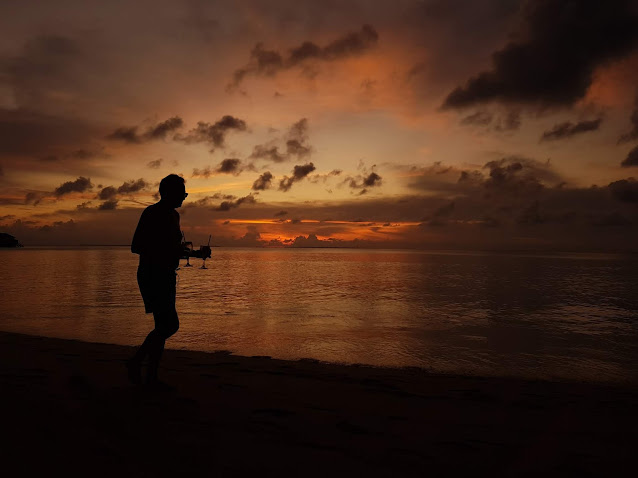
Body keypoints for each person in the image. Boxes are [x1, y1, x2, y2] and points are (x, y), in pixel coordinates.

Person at [126, 174, 187, 388]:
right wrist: (166, 250)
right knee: (170, 325)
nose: (184, 198)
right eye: (182, 193)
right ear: (168, 193)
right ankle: (136, 363)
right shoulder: (152, 213)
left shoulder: (174, 216)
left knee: (162, 326)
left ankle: (150, 376)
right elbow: (136, 246)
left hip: (166, 274)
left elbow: (173, 248)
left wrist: (193, 254)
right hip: (153, 274)